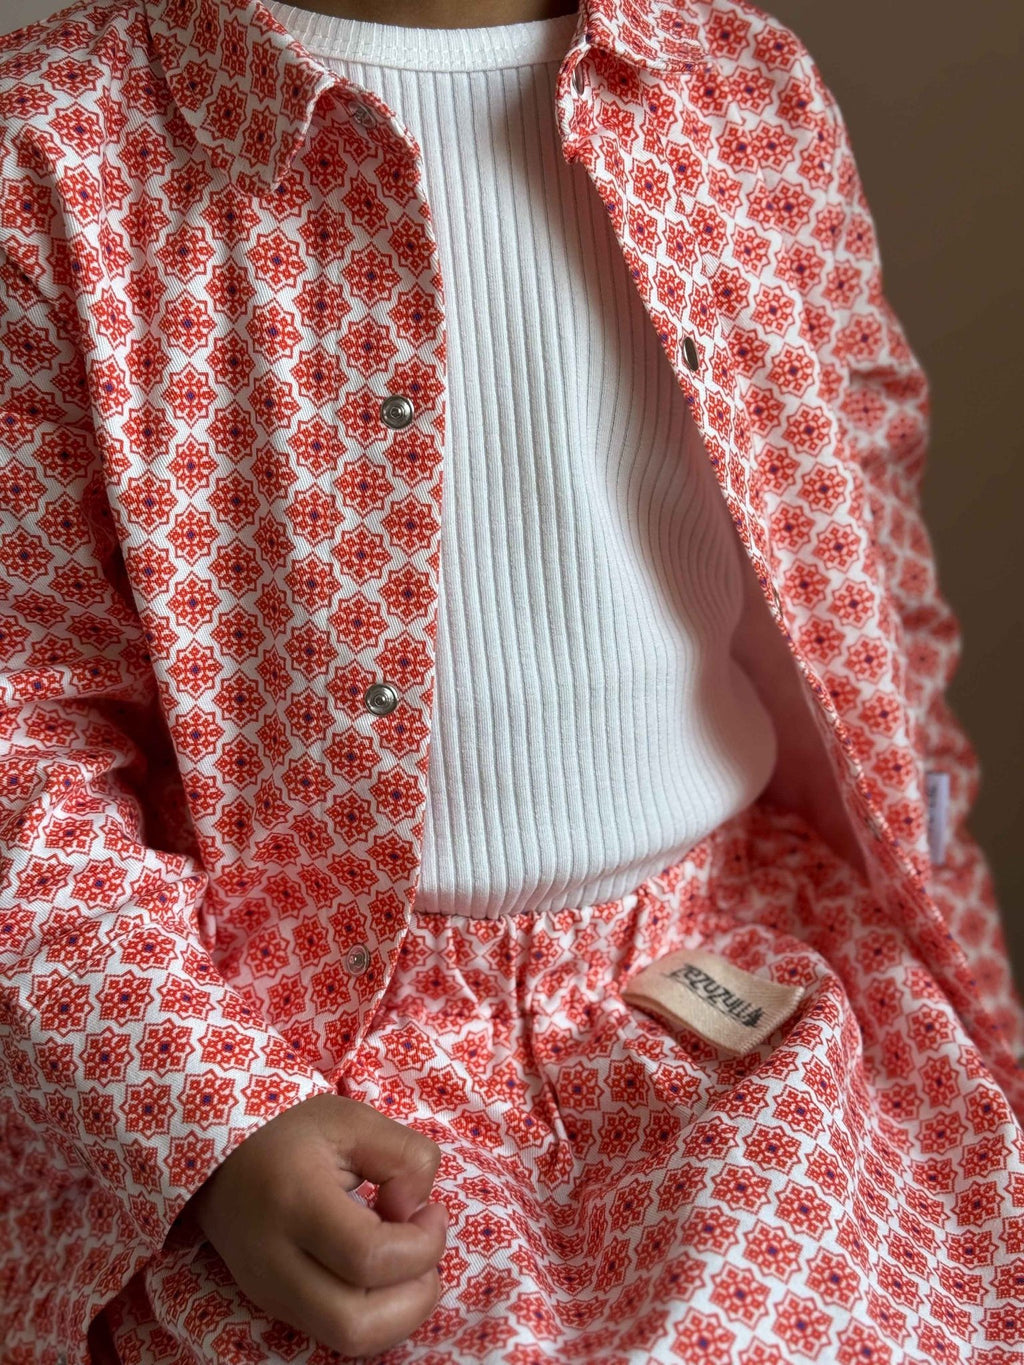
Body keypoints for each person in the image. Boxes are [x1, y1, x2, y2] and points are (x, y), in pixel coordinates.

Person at [1, 0, 1022, 1361]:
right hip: (281, 1053)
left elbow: (870, 572)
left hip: (742, 978)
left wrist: (956, 944)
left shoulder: (742, 89)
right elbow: (23, 728)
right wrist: (207, 1108)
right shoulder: (57, 145)